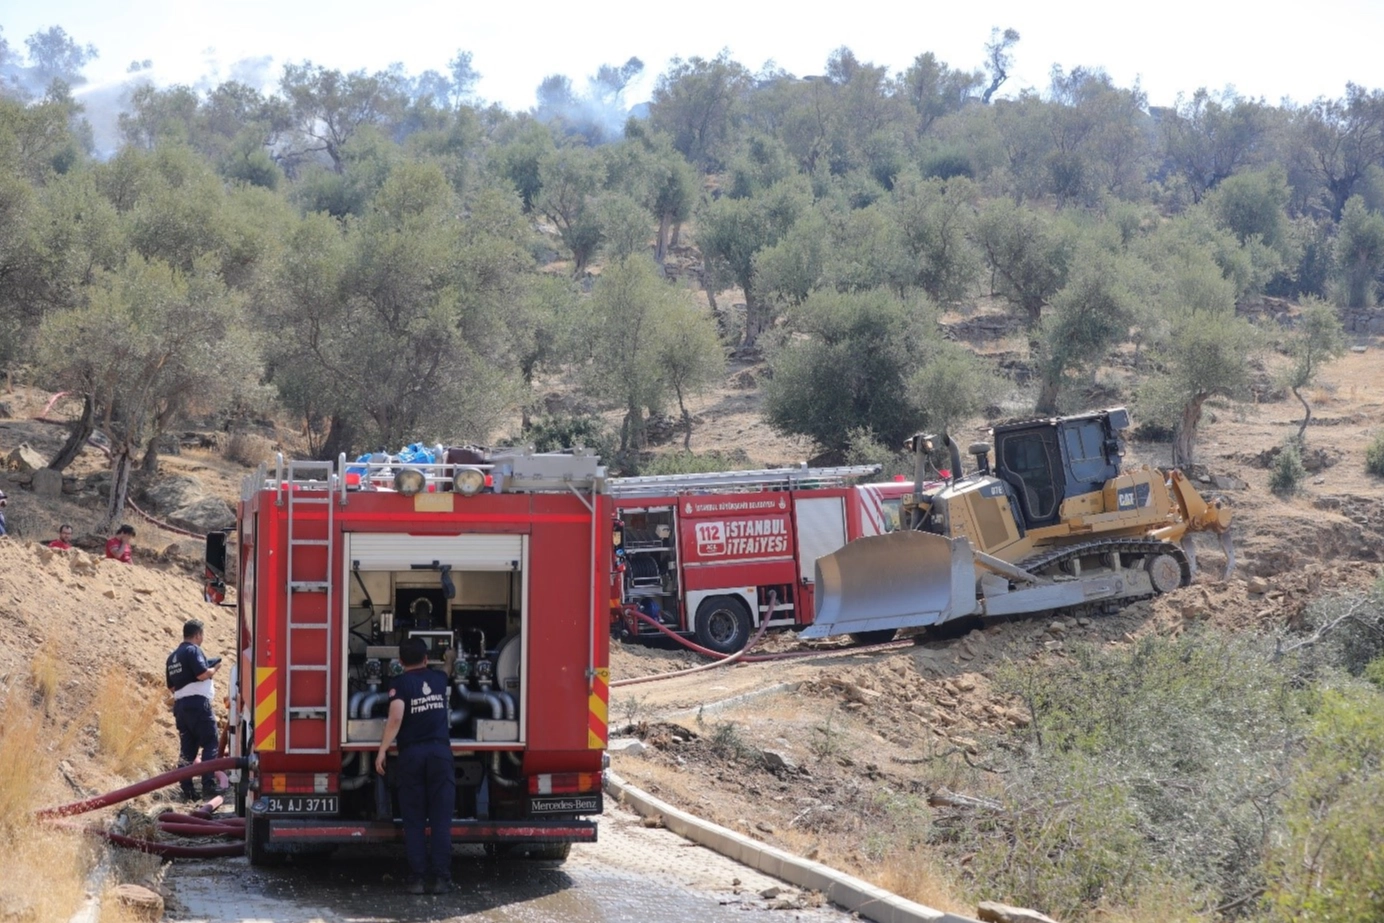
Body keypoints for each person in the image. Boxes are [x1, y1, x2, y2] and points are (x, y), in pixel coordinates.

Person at [375, 638, 454, 895]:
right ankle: (442, 879)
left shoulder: (399, 684)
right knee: (441, 819)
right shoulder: (440, 680)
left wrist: (383, 749)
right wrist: (450, 657)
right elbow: (447, 670)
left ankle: (418, 879)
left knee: (415, 820)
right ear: (425, 659)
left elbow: (396, 716)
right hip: (440, 755)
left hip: (412, 756)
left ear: (399, 662)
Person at [165, 619, 222, 802]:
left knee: (187, 750)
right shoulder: (193, 650)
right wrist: (213, 669)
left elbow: (172, 687)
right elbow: (201, 674)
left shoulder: (172, 657)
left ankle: (187, 789)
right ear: (197, 635)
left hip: (181, 707)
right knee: (211, 742)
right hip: (198, 705)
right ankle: (208, 784)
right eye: (202, 635)